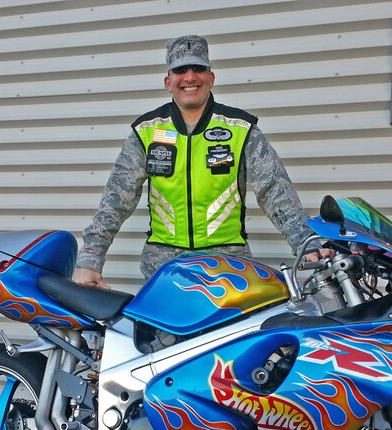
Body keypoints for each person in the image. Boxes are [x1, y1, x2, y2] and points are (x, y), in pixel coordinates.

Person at [73, 35, 324, 288]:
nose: (190, 77)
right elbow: (117, 199)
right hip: (164, 272)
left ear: (211, 78)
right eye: (180, 70)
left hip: (229, 270)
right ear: (168, 82)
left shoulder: (241, 129)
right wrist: (90, 260)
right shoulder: (147, 131)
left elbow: (275, 191)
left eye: (198, 68)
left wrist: (306, 243)